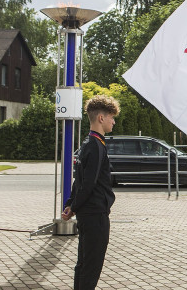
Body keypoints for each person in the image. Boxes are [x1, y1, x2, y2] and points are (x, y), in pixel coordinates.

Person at [61, 95, 120, 290]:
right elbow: (88, 184)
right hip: (95, 214)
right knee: (91, 266)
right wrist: (73, 207)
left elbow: (80, 180)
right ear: (101, 118)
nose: (114, 121)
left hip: (88, 213)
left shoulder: (89, 143)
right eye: (112, 117)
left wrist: (71, 204)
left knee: (84, 264)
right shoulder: (95, 146)